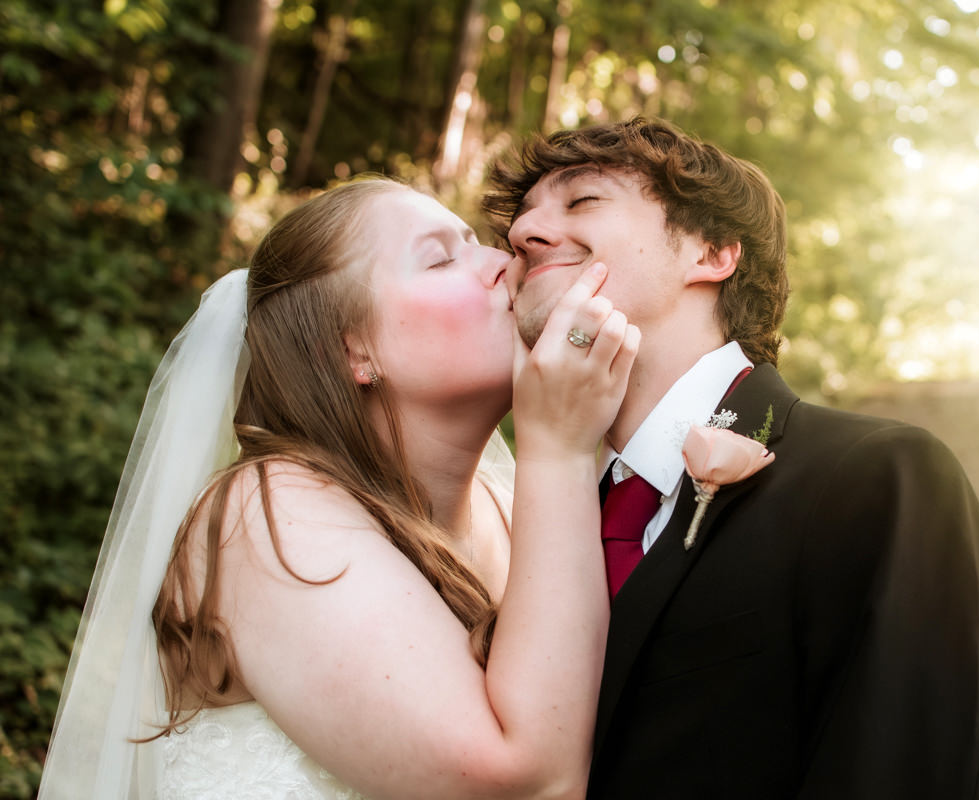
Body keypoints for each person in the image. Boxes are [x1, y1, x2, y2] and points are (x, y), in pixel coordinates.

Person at [39, 177, 640, 798]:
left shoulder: (512, 506)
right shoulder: (264, 517)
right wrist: (559, 450)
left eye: (480, 243)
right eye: (440, 259)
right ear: (352, 349)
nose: (504, 261)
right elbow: (527, 784)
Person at [484, 117, 979, 799]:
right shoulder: (538, 521)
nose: (524, 234)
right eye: (518, 223)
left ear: (712, 252)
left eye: (583, 201)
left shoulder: (880, 479)